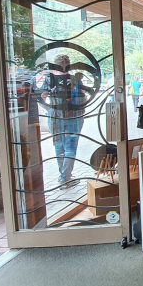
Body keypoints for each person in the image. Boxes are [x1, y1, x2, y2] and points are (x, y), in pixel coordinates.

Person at [41, 54, 88, 187]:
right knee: (71, 147)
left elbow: (42, 97)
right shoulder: (75, 79)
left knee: (58, 145)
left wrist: (50, 109)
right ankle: (66, 176)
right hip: (74, 115)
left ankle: (63, 177)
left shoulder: (49, 79)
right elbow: (83, 97)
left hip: (55, 116)